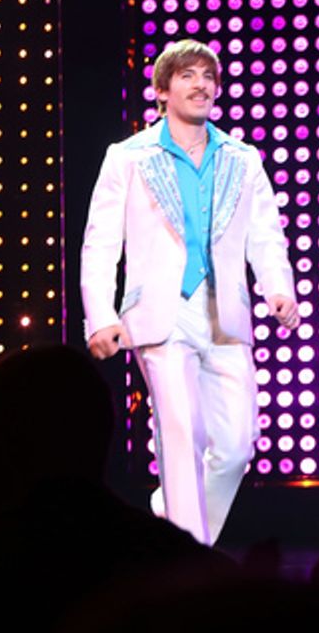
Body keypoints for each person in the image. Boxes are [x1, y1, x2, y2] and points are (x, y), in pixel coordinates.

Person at [80, 38, 298, 546]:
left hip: (225, 312)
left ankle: (170, 516)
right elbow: (100, 244)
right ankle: (189, 555)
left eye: (208, 77)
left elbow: (266, 235)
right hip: (160, 313)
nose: (201, 85)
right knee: (181, 434)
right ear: (162, 91)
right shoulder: (129, 157)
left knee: (237, 444)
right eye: (187, 76)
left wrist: (278, 289)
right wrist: (102, 317)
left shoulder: (242, 159)